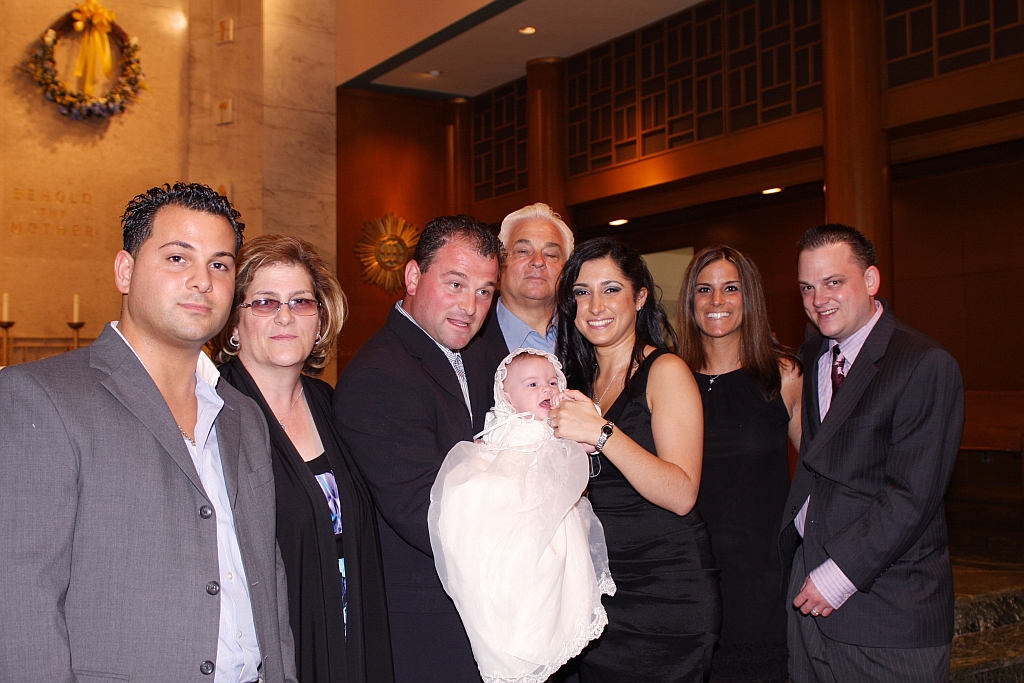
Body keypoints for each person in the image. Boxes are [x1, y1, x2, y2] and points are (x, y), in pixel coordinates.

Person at [0, 183, 297, 683]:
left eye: (220, 264)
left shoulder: (243, 415)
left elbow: (267, 576)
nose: (202, 280)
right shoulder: (41, 398)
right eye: (178, 258)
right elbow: (20, 599)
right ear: (125, 270)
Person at [780, 224, 964, 682]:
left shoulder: (923, 362)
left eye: (833, 282)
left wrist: (836, 576)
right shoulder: (814, 353)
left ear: (870, 280)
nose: (818, 299)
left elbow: (912, 497)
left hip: (887, 611)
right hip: (808, 599)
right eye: (807, 287)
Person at [213, 235, 393, 683]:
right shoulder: (211, 412)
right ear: (233, 323)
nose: (285, 316)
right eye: (264, 302)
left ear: (320, 321)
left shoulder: (331, 403)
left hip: (350, 639)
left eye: (301, 301)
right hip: (266, 654)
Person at [334, 215, 502, 683]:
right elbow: (427, 513)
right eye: (455, 283)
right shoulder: (379, 375)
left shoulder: (480, 354)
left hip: (484, 612)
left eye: (485, 291)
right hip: (428, 626)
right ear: (412, 276)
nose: (470, 306)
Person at [549, 237, 721, 683]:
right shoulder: (574, 381)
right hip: (601, 593)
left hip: (667, 592)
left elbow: (682, 493)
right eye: (582, 292)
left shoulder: (665, 371)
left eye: (611, 289)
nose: (595, 306)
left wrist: (602, 433)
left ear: (640, 297)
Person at [428, 348, 616, 683]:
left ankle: (543, 638)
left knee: (554, 584)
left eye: (553, 382)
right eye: (532, 384)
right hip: (513, 526)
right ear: (507, 397)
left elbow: (587, 451)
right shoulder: (501, 429)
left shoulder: (559, 430)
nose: (546, 389)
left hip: (556, 528)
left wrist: (583, 425)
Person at [677, 246, 802, 683]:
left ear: (749, 297)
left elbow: (820, 475)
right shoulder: (669, 378)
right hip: (687, 574)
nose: (717, 301)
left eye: (731, 288)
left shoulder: (783, 375)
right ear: (690, 301)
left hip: (762, 580)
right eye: (704, 290)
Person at [474, 203, 574, 370]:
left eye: (550, 254)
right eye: (523, 251)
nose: (538, 261)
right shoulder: (469, 337)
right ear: (499, 263)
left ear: (567, 270)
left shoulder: (587, 336)